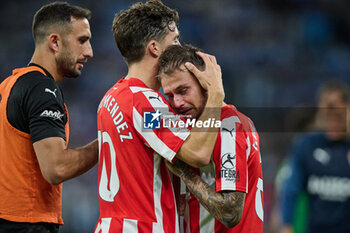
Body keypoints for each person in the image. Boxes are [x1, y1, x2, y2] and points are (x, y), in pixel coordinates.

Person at [94, 1, 224, 232]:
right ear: (154, 48)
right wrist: (215, 95)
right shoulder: (145, 103)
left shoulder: (110, 98)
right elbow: (199, 153)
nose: (180, 46)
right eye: (174, 41)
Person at [0, 2, 98, 233]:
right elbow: (57, 168)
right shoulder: (42, 89)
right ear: (55, 42)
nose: (90, 52)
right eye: (82, 40)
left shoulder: (8, 86)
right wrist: (108, 142)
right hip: (26, 224)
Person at [158, 44, 264, 233]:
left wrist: (185, 174)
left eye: (183, 90)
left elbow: (230, 212)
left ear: (205, 82)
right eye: (170, 96)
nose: (177, 103)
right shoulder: (197, 128)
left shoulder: (229, 126)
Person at [280, 80, 350, 233]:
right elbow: (291, 189)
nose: (333, 122)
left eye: (338, 116)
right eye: (327, 115)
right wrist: (286, 225)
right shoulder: (307, 145)